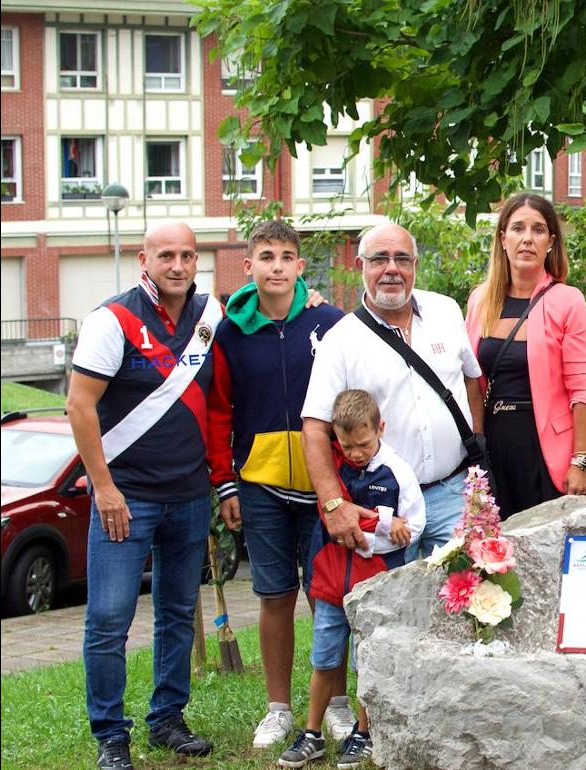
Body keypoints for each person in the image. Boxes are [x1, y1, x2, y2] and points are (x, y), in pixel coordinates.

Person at [66, 221, 222, 770]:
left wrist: (311, 294)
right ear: (143, 259)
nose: (178, 265)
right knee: (109, 620)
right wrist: (104, 488)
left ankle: (167, 721)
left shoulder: (209, 315)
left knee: (177, 612)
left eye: (187, 255)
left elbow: (262, 305)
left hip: (188, 495)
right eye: (166, 256)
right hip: (125, 498)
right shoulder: (112, 320)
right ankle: (111, 734)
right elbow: (79, 407)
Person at [205, 220, 351, 748]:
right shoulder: (229, 332)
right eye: (266, 257)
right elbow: (219, 410)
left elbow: (348, 399)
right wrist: (225, 483)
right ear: (249, 266)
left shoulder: (329, 321)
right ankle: (279, 708)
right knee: (273, 596)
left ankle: (334, 703)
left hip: (322, 485)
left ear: (299, 266)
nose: (276, 266)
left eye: (286, 257)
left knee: (328, 598)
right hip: (259, 486)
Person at [301, 222, 483, 563]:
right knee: (393, 613)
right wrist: (333, 504)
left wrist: (477, 449)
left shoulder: (446, 311)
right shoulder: (340, 341)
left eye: (402, 258)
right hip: (384, 509)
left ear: (415, 265)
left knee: (466, 603)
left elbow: (471, 380)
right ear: (361, 266)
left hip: (454, 495)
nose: (392, 269)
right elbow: (313, 429)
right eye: (380, 259)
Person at [279, 389, 425, 768]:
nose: (355, 453)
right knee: (323, 656)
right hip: (331, 579)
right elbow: (331, 513)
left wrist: (381, 527)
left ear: (381, 429)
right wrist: (379, 520)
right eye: (347, 446)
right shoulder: (333, 467)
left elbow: (413, 525)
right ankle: (312, 733)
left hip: (374, 581)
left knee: (366, 658)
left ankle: (363, 732)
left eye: (362, 444)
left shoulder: (397, 472)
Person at [464, 193, 586, 519]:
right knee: (494, 554)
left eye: (538, 230)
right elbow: (471, 380)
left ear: (550, 242)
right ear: (502, 238)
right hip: (494, 448)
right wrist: (476, 451)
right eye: (518, 228)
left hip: (545, 452)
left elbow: (584, 390)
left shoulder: (568, 302)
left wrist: (580, 462)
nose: (527, 238)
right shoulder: (480, 301)